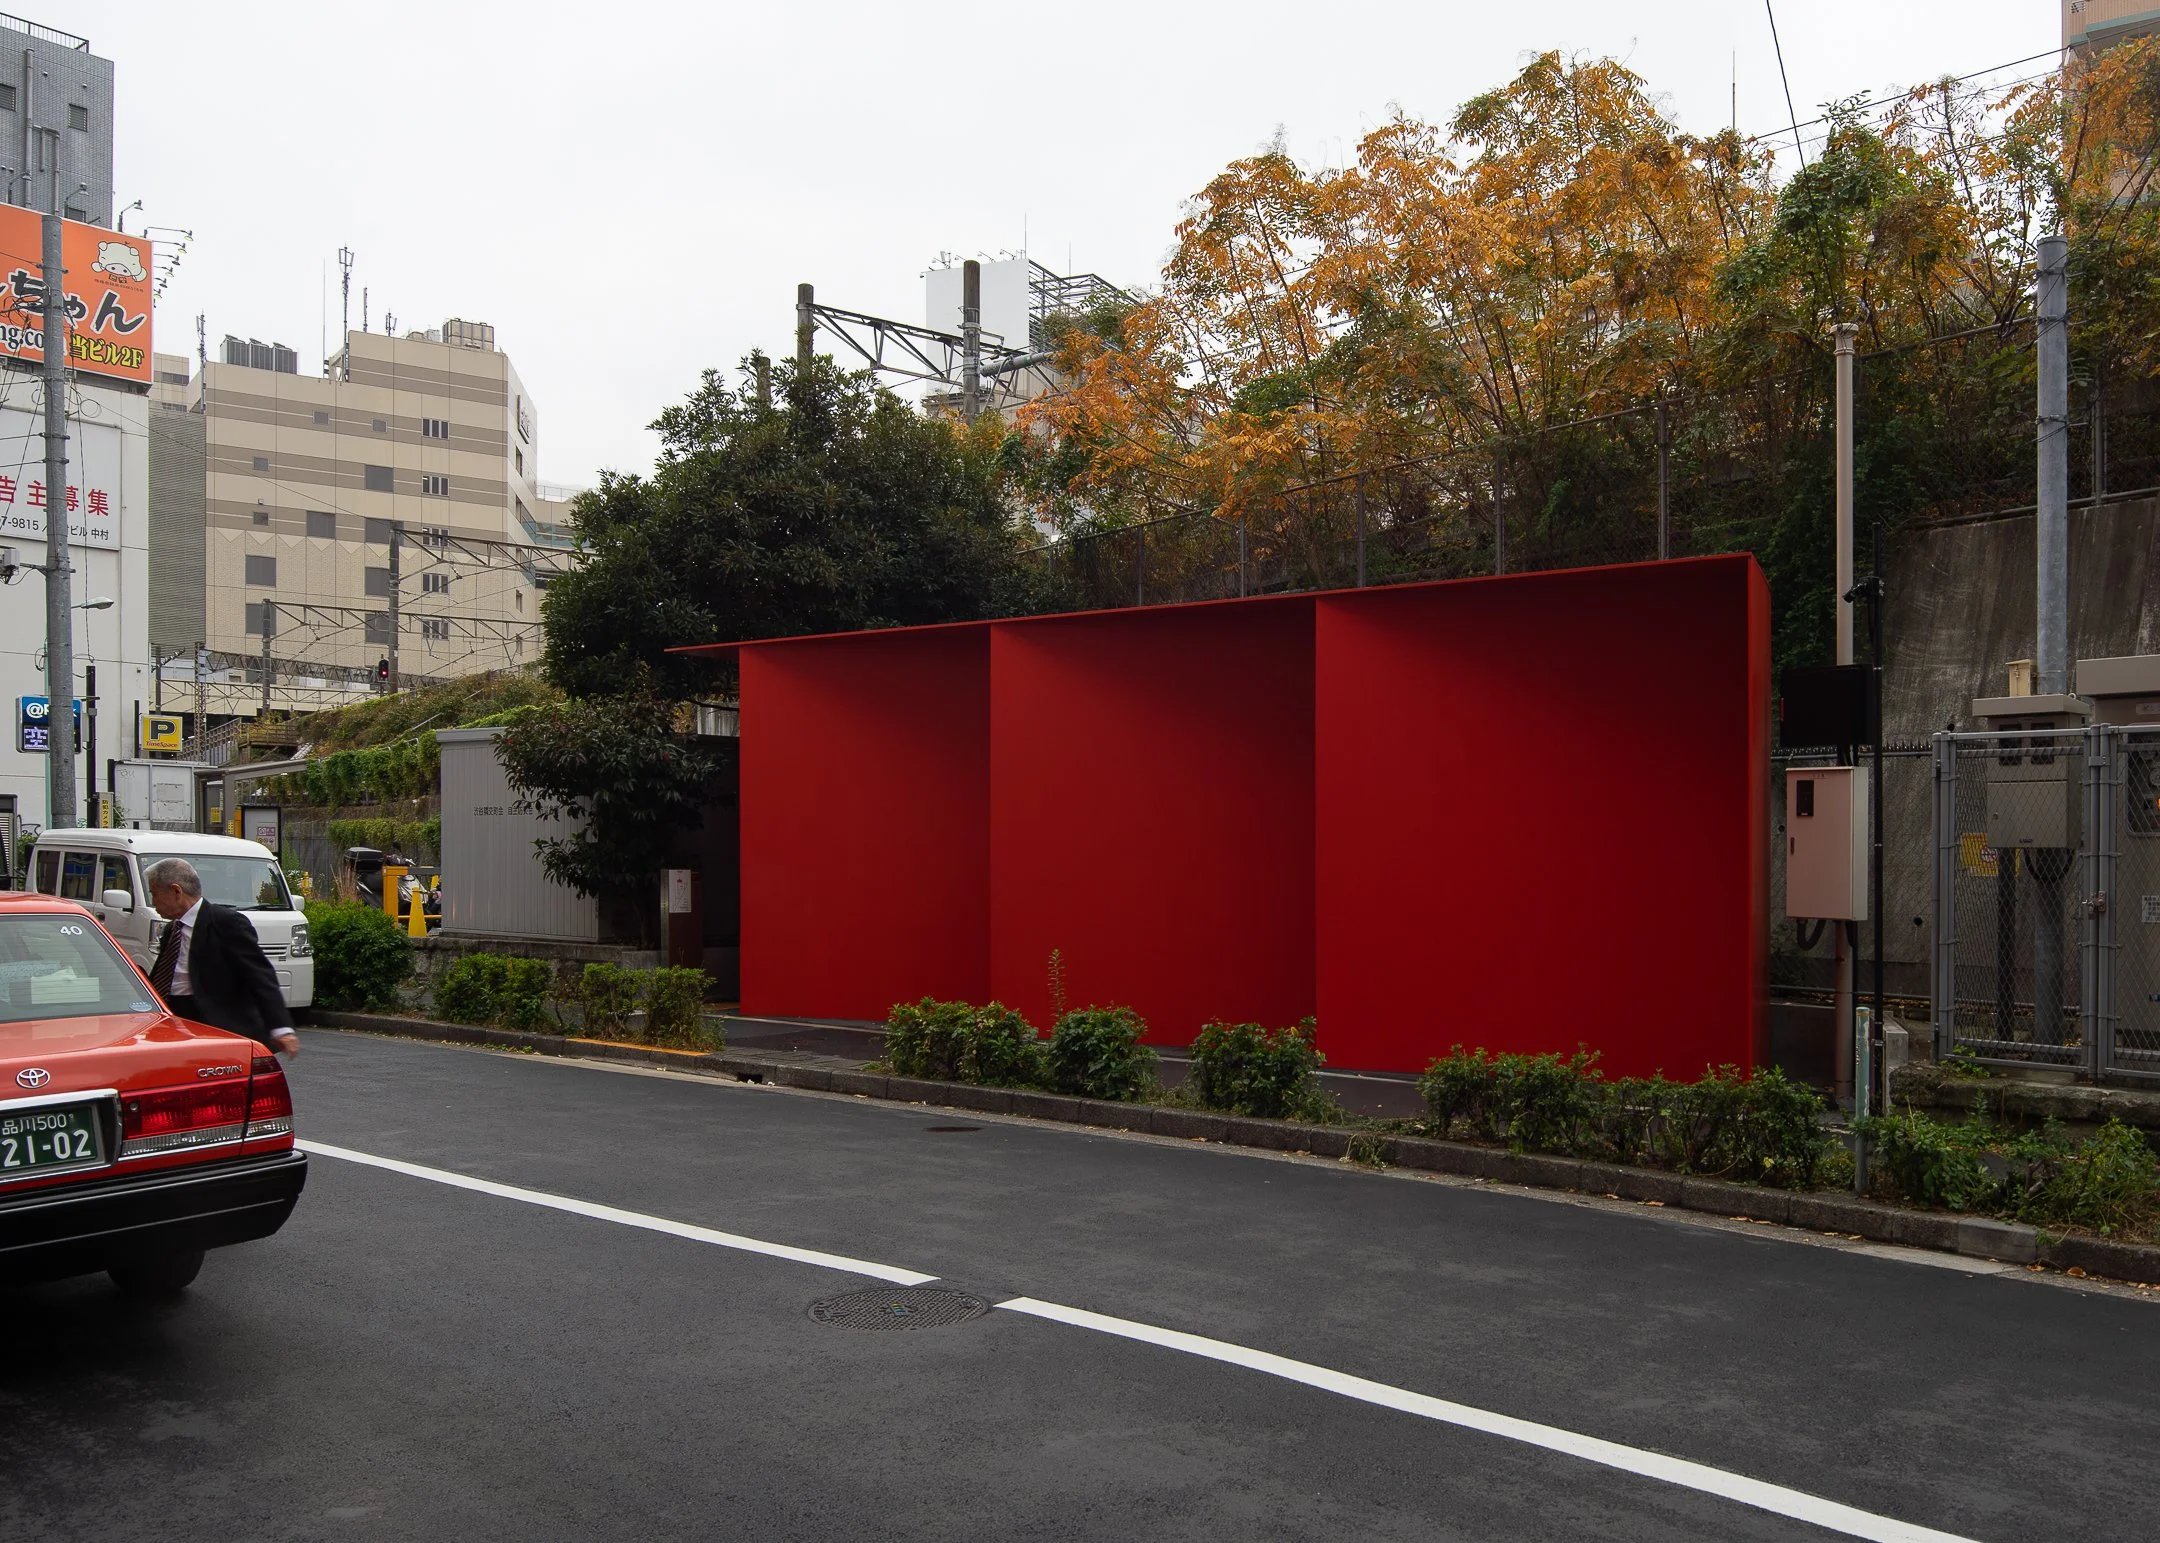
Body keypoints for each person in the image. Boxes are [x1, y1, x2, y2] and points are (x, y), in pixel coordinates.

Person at [142, 857, 299, 1058]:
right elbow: (162, 978)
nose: (153, 902)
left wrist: (281, 1027)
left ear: (176, 891)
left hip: (211, 1022)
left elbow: (260, 974)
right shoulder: (172, 930)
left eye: (154, 894)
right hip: (173, 1019)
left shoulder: (226, 923)